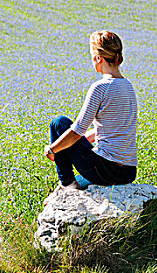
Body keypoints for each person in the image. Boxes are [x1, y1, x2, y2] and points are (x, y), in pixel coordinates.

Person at [44, 30, 137, 189]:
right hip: (128, 173)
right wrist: (74, 144)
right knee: (70, 144)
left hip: (105, 170)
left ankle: (67, 184)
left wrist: (52, 149)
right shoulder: (128, 87)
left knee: (59, 123)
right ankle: (68, 186)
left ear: (98, 58)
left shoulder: (100, 87)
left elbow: (77, 131)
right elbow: (108, 130)